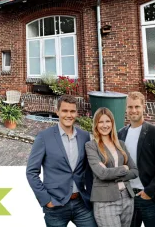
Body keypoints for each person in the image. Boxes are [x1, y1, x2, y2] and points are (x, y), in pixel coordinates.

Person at [26, 95, 96, 227]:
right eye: (65, 111)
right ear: (57, 111)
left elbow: (89, 170)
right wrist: (46, 200)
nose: (69, 115)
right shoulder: (44, 137)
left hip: (81, 203)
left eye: (72, 111)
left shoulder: (85, 136)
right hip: (55, 206)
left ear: (76, 113)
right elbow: (31, 172)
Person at [118, 91, 155, 227]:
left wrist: (149, 191)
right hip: (129, 197)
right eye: (130, 107)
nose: (133, 110)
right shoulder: (121, 133)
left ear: (144, 107)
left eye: (137, 107)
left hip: (151, 198)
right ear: (126, 108)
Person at [85, 107, 138, 227]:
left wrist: (111, 173)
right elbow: (101, 173)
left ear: (112, 123)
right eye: (100, 122)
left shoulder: (121, 145)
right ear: (96, 124)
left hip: (127, 198)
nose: (104, 125)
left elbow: (135, 171)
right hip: (105, 200)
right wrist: (124, 169)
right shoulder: (91, 146)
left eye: (107, 121)